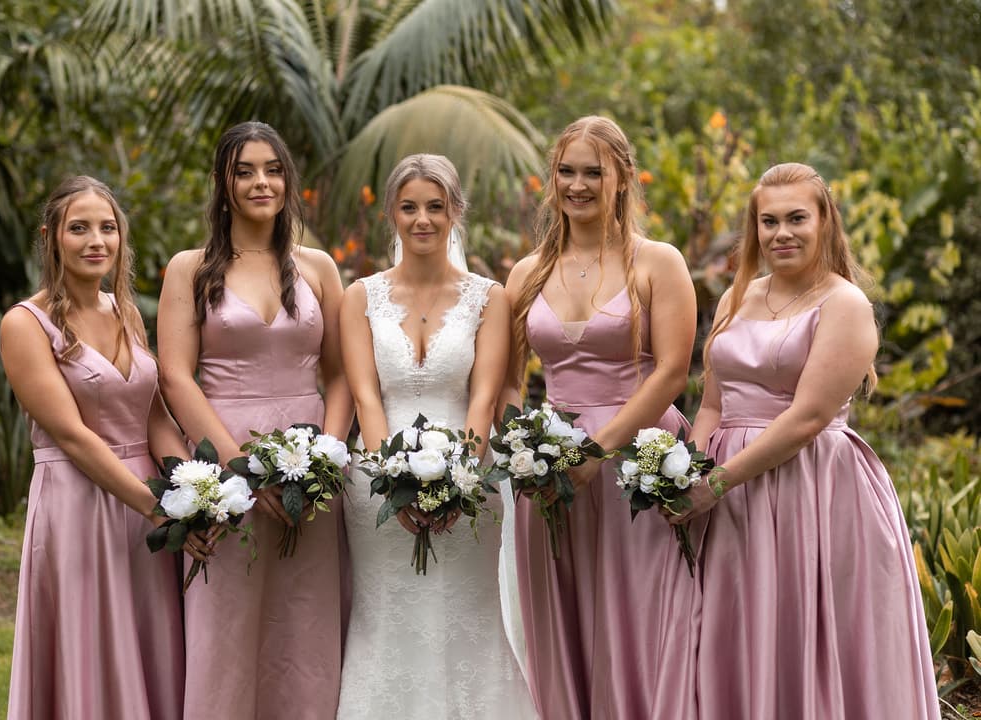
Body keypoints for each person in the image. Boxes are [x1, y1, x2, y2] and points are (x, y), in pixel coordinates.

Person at [669, 162, 939, 718]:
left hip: (810, 486)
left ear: (825, 222)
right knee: (735, 625)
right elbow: (714, 404)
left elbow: (808, 418)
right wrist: (684, 469)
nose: (781, 233)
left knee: (803, 627)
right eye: (769, 221)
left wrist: (715, 483)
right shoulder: (735, 298)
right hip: (729, 494)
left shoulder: (844, 304)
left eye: (797, 218)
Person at [499, 115, 700, 719]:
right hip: (551, 468)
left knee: (638, 613)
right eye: (567, 171)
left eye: (594, 172)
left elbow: (671, 372)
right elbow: (511, 380)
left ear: (623, 179)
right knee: (560, 618)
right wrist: (521, 451)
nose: (578, 184)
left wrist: (597, 452)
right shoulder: (526, 274)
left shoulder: (657, 263)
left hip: (638, 463)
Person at [157, 121, 353, 719]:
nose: (260, 182)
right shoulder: (189, 269)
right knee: (228, 621)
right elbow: (174, 377)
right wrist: (239, 472)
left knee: (306, 623)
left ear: (288, 181)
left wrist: (324, 461)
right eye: (245, 170)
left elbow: (342, 375)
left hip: (309, 472)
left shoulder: (318, 268)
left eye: (272, 169)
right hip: (223, 470)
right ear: (223, 182)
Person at [337, 153, 537, 719]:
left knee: (468, 619)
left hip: (470, 479)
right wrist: (390, 483)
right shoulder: (360, 297)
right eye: (409, 207)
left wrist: (462, 483)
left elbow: (483, 396)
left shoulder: (488, 297)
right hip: (377, 485)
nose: (422, 219)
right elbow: (365, 397)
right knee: (386, 621)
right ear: (393, 217)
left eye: (435, 206)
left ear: (455, 213)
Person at [2, 175, 190, 719]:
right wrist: (156, 508)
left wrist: (193, 495)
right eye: (78, 228)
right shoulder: (24, 323)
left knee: (147, 642)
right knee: (86, 642)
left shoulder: (126, 313)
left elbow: (154, 416)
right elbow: (71, 435)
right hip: (78, 503)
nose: (96, 241)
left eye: (107, 228)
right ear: (50, 238)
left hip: (145, 509)